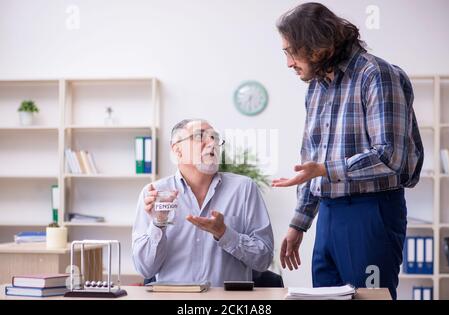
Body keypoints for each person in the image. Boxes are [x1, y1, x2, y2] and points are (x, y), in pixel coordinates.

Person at [272, 3, 424, 299]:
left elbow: (390, 156)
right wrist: (299, 223)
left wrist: (326, 169)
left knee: (369, 298)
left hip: (371, 213)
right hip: (329, 214)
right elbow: (311, 165)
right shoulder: (316, 87)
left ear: (318, 45)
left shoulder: (376, 74)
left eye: (291, 51)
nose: (289, 63)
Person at [132, 119, 274, 286]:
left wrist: (225, 234)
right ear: (177, 150)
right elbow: (145, 269)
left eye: (215, 137)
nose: (212, 142)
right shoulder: (154, 194)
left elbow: (264, 259)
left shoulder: (244, 188)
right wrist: (159, 223)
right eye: (200, 136)